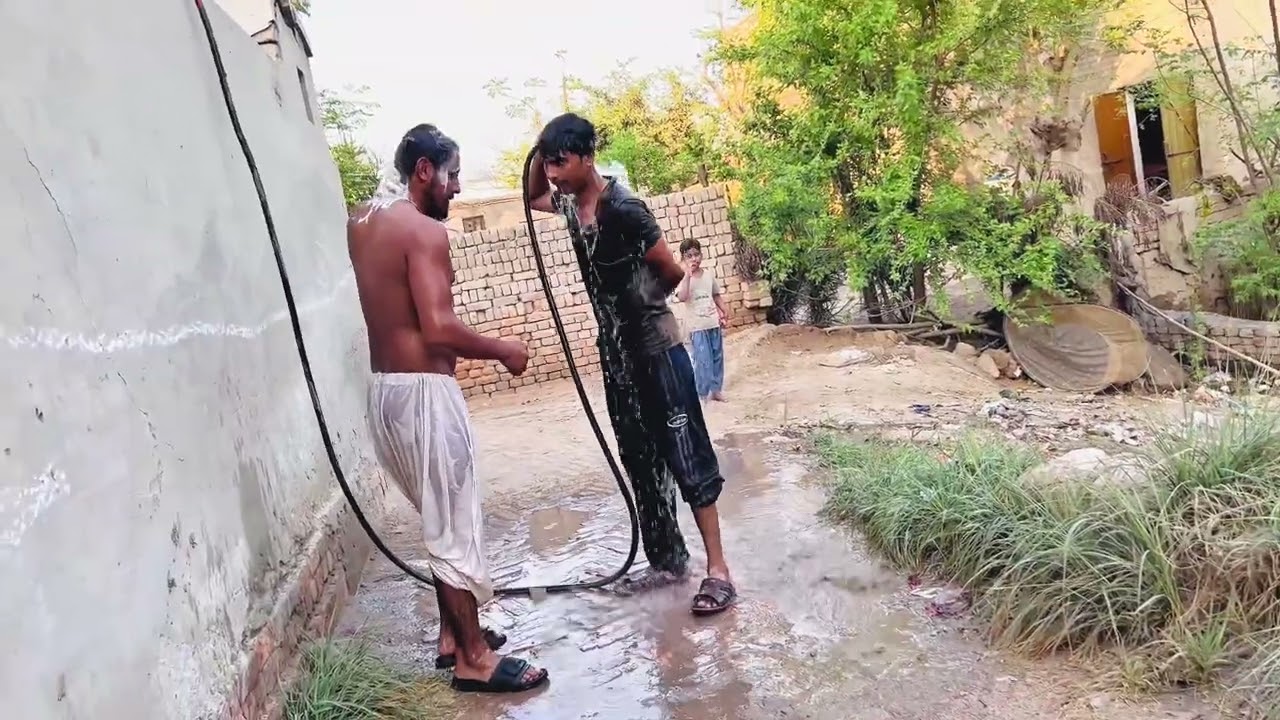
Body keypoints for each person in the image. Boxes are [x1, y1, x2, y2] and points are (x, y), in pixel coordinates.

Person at [347, 124, 548, 693]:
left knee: (439, 520)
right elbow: (438, 329)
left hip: (384, 392)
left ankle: (450, 635)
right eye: (454, 174)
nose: (458, 188)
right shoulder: (423, 232)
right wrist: (503, 350)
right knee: (454, 527)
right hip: (424, 397)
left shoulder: (362, 221)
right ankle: (475, 659)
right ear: (424, 171)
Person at [523, 113, 737, 615]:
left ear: (587, 156)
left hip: (657, 351)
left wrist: (642, 301)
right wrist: (539, 147)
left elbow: (670, 269)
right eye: (548, 162)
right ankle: (667, 562)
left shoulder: (625, 208)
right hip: (617, 359)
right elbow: (533, 197)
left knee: (687, 456)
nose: (552, 173)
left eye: (561, 161)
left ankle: (719, 571)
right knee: (640, 461)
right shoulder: (573, 206)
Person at [676, 238, 728, 402]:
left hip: (712, 323)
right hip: (697, 327)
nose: (694, 259)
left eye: (696, 254)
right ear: (683, 259)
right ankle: (702, 393)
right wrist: (687, 276)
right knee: (703, 360)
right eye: (689, 256)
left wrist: (724, 310)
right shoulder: (682, 278)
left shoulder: (708, 275)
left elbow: (715, 295)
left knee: (717, 358)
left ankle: (716, 390)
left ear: (701, 255)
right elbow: (683, 297)